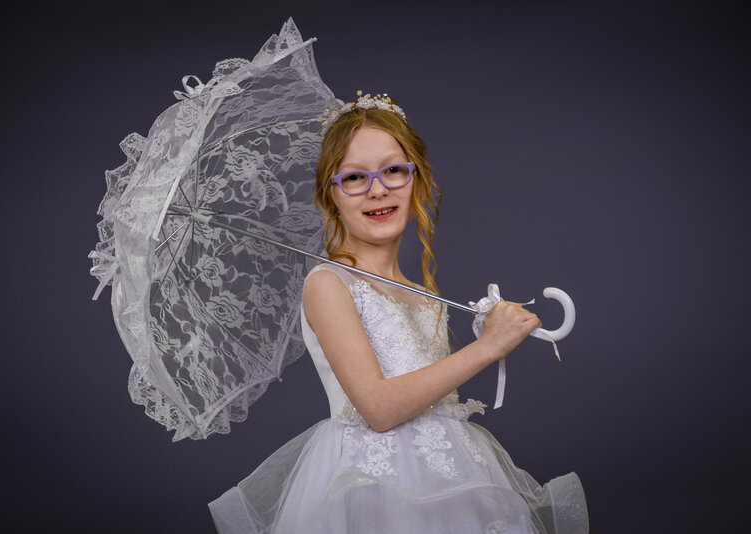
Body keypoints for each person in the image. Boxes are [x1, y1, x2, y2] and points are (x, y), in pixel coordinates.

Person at [209, 92, 589, 533]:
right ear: (330, 196)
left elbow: (430, 389)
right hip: (372, 489)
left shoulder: (424, 295)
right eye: (354, 177)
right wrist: (486, 348)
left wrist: (490, 329)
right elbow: (379, 408)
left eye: (393, 170)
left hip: (453, 477)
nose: (377, 189)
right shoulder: (328, 285)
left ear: (418, 180)